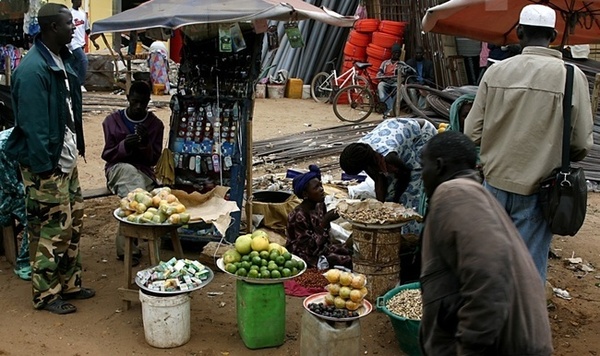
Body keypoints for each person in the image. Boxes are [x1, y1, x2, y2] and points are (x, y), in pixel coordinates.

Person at [464, 4, 594, 282]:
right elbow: (581, 143)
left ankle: (489, 316)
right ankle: (523, 321)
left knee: (491, 260)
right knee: (528, 269)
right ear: (554, 35)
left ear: (519, 32)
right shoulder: (572, 77)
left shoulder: (496, 72)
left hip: (494, 183)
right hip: (540, 189)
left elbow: (472, 132)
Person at [419, 131, 553, 355]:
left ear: (439, 166)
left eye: (423, 165)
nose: (421, 174)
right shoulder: (474, 194)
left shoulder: (454, 193)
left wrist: (469, 346)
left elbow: (490, 274)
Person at [3, 2, 94, 314]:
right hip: (47, 164)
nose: (74, 28)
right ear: (53, 27)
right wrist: (46, 170)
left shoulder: (61, 59)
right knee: (52, 227)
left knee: (74, 222)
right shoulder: (32, 70)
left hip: (64, 158)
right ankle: (46, 294)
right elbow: (34, 127)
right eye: (69, 24)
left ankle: (69, 283)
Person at [101, 80, 164, 264]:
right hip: (118, 169)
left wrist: (145, 144)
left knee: (141, 195)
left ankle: (128, 246)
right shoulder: (112, 122)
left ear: (148, 102)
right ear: (128, 98)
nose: (138, 107)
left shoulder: (154, 125)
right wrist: (123, 146)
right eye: (134, 102)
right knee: (135, 190)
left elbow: (153, 160)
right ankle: (129, 246)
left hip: (144, 171)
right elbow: (108, 154)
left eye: (142, 103)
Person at [339, 118, 437, 235]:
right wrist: (382, 208)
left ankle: (412, 236)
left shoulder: (388, 156)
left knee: (411, 194)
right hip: (395, 133)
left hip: (421, 135)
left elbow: (405, 174)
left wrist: (395, 202)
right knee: (389, 196)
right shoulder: (362, 153)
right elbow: (379, 180)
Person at [286, 165, 352, 269]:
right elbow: (308, 249)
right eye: (316, 187)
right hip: (304, 256)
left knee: (351, 251)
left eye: (321, 185)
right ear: (305, 194)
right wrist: (325, 221)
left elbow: (325, 237)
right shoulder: (298, 216)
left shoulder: (319, 205)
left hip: (321, 249)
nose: (322, 190)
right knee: (347, 261)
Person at [68, 0, 98, 92]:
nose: (79, 2)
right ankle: (80, 84)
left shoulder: (82, 14)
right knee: (83, 60)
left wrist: (94, 41)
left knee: (75, 65)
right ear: (72, 1)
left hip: (81, 43)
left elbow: (87, 30)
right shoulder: (69, 14)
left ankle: (71, 84)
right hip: (72, 42)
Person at [376, 43, 402, 115]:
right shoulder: (385, 63)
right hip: (385, 82)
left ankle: (393, 108)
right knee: (380, 86)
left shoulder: (401, 64)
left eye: (398, 53)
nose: (397, 54)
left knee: (402, 88)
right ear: (392, 53)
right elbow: (378, 74)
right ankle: (390, 108)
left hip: (395, 83)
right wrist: (384, 78)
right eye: (395, 53)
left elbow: (402, 77)